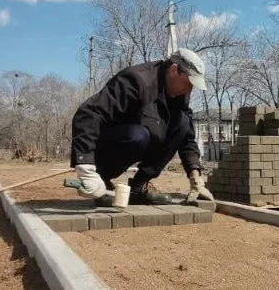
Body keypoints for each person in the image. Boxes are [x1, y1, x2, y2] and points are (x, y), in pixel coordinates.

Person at [70, 49, 214, 206]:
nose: (190, 89)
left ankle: (139, 187)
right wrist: (86, 168)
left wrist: (195, 178)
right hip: (107, 144)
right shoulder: (136, 80)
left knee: (183, 123)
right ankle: (101, 177)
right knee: (138, 135)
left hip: (140, 140)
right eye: (189, 83)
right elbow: (88, 114)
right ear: (174, 70)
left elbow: (187, 136)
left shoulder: (180, 94)